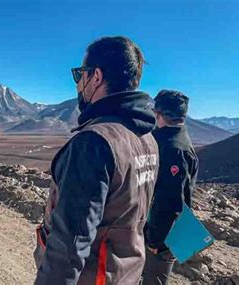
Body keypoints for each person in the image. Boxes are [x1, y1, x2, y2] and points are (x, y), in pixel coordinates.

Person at [34, 36, 159, 285]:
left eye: (80, 75)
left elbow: (71, 242)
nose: (79, 83)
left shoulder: (93, 143)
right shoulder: (147, 138)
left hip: (92, 276)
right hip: (124, 272)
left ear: (96, 77)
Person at [141, 90, 199, 285]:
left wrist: (156, 241)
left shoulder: (173, 148)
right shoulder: (181, 140)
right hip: (165, 230)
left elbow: (170, 200)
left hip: (162, 236)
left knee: (153, 279)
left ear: (158, 114)